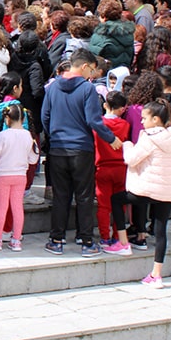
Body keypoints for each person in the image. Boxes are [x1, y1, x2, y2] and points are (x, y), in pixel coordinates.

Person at [41, 48, 122, 257]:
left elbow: (45, 117)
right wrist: (111, 138)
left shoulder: (53, 87)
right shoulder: (88, 90)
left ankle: (56, 239)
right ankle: (86, 241)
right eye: (93, 70)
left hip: (58, 148)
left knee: (61, 195)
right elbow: (93, 120)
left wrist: (54, 136)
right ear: (84, 66)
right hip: (82, 149)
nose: (93, 75)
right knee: (84, 196)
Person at [105, 101, 171, 289]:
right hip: (167, 190)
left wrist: (128, 144)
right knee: (161, 230)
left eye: (144, 118)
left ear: (155, 119)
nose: (142, 121)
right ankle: (156, 273)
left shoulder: (148, 137)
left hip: (147, 188)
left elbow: (131, 159)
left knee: (117, 199)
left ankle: (123, 243)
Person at [0, 103, 38, 251]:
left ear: (7, 118)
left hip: (2, 174)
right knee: (17, 207)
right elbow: (33, 159)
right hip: (20, 175)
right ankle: (16, 240)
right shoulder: (28, 135)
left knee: (1, 207)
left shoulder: (3, 135)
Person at [94, 90, 132, 246]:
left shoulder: (98, 125)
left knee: (103, 205)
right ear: (122, 108)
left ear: (105, 105)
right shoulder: (125, 125)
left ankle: (104, 236)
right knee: (120, 204)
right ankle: (117, 235)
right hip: (120, 168)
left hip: (102, 167)